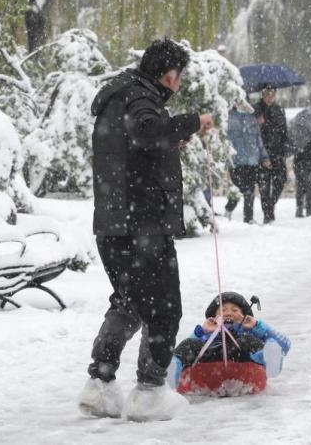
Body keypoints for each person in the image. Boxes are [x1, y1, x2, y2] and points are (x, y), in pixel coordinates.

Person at [78, 38, 215, 422]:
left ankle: (100, 386)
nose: (179, 84)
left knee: (129, 302)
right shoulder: (140, 96)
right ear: (168, 75)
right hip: (143, 227)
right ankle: (150, 393)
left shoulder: (118, 95)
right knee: (164, 308)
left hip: (113, 223)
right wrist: (191, 121)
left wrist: (174, 136)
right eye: (179, 77)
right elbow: (147, 131)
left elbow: (138, 146)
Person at [167, 292, 291, 389]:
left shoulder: (249, 331)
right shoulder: (209, 331)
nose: (228, 313)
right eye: (223, 309)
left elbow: (284, 345)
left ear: (244, 315)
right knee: (190, 344)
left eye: (235, 310)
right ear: (214, 315)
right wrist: (201, 332)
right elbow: (189, 346)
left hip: (242, 356)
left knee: (250, 340)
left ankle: (269, 361)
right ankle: (172, 370)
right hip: (210, 356)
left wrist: (258, 326)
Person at [224, 103, 271, 223]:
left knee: (249, 190)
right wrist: (225, 160)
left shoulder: (252, 118)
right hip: (236, 161)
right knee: (239, 189)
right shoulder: (228, 117)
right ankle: (229, 209)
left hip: (252, 161)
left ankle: (248, 218)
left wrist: (264, 157)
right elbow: (225, 141)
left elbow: (258, 140)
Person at [255, 86, 289, 224]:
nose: (270, 97)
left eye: (272, 95)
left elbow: (284, 131)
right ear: (263, 95)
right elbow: (253, 132)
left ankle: (270, 206)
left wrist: (285, 148)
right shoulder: (256, 109)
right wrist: (259, 122)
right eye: (267, 95)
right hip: (262, 153)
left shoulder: (279, 109)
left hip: (278, 152)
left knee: (281, 180)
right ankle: (267, 215)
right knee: (264, 185)